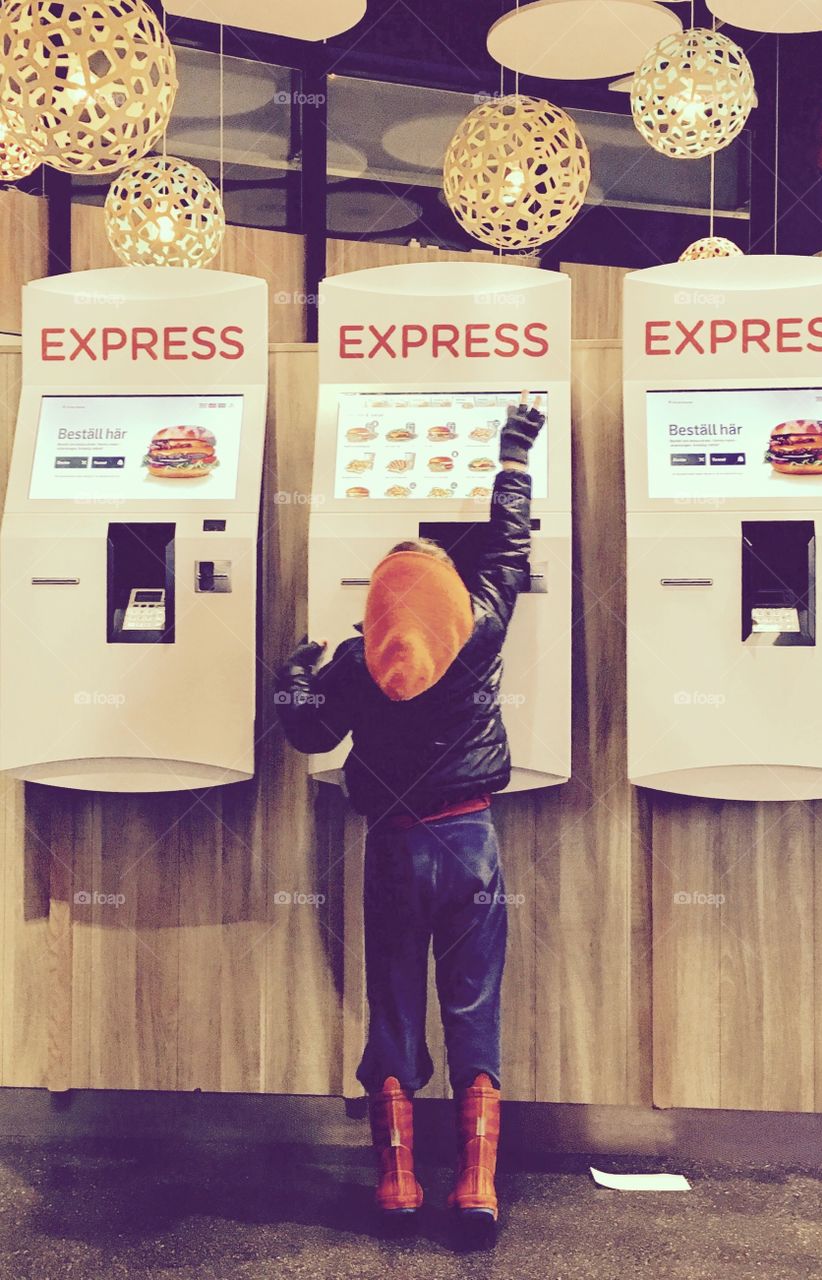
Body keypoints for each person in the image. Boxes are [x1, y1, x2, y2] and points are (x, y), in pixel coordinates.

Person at [275, 393, 545, 1238]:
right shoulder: (481, 633)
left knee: (392, 1004)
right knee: (474, 1005)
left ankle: (396, 1184)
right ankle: (475, 1188)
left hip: (392, 848)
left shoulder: (357, 663)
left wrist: (293, 676)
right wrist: (513, 454)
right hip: (471, 844)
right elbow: (507, 549)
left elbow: (310, 731)